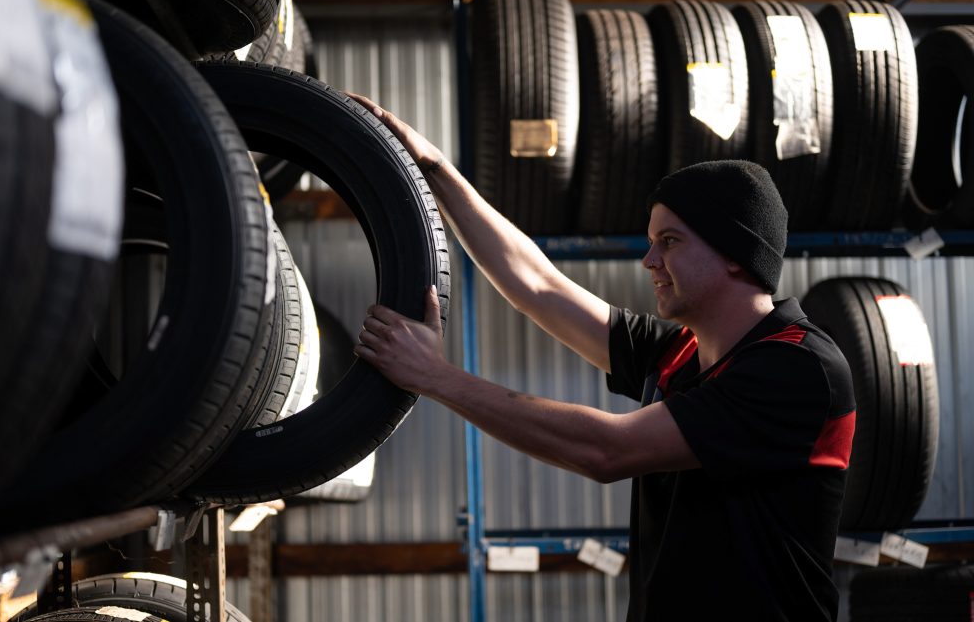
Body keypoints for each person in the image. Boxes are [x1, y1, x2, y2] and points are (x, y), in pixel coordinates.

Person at [348, 93, 856, 621]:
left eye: (670, 241)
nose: (649, 260)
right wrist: (435, 169)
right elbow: (538, 286)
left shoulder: (798, 367)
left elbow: (606, 451)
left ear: (734, 253)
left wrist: (436, 376)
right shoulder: (681, 354)